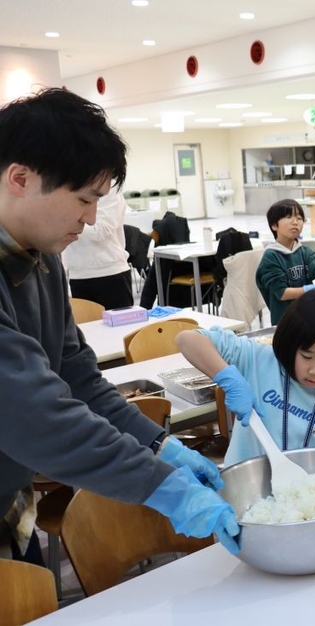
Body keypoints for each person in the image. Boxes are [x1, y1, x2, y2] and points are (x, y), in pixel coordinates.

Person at [0, 88, 239, 563]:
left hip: (11, 503)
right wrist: (163, 487)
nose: (91, 220)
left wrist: (159, 444)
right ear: (20, 179)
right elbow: (33, 414)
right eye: (84, 199)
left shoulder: (44, 259)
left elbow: (78, 377)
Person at [176, 290, 315, 467]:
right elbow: (187, 339)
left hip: (305, 495)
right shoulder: (258, 360)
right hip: (244, 483)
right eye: (307, 356)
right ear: (290, 343)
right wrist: (229, 379)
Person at [256, 199, 315, 325]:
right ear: (274, 225)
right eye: (288, 217)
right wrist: (312, 289)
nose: (295, 222)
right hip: (285, 321)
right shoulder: (271, 256)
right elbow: (282, 293)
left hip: (308, 317)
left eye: (299, 218)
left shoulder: (304, 251)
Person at [61, 184, 134, 310]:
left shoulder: (110, 187)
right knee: (86, 322)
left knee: (119, 323)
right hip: (77, 274)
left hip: (110, 272)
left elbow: (101, 230)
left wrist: (64, 222)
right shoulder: (66, 185)